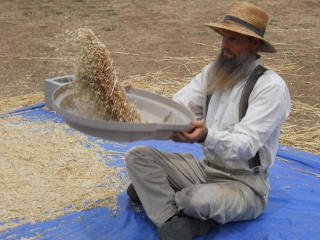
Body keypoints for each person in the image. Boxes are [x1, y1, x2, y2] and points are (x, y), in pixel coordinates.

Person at [124, 1, 291, 240]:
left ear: (254, 43)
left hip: (244, 185)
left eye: (234, 39)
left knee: (198, 200)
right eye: (224, 37)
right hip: (204, 169)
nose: (225, 45)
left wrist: (206, 134)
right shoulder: (213, 72)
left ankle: (162, 199)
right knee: (137, 156)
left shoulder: (270, 87)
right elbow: (177, 109)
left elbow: (245, 146)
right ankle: (172, 218)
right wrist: (134, 101)